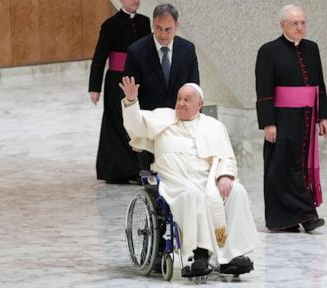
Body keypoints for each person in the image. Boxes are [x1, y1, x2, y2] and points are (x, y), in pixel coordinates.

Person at [120, 76, 259, 277]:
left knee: (236, 191)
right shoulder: (163, 118)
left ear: (200, 104)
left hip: (208, 180)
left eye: (187, 100)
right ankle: (199, 254)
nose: (181, 104)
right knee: (193, 195)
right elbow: (135, 125)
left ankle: (231, 255)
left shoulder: (214, 126)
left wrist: (225, 177)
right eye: (179, 99)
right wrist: (132, 101)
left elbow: (226, 157)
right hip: (175, 182)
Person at [255, 4, 326, 232]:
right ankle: (292, 218)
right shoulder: (269, 50)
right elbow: (263, 88)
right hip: (282, 119)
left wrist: (323, 116)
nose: (300, 27)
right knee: (280, 167)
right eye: (295, 23)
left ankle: (300, 216)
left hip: (306, 118)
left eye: (303, 22)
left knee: (301, 166)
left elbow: (319, 86)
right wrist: (268, 123)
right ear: (282, 25)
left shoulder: (312, 48)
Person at [124, 3, 199, 170]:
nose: (163, 34)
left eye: (168, 29)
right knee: (152, 181)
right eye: (158, 28)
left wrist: (196, 126)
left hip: (180, 127)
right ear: (152, 24)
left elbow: (195, 90)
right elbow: (129, 97)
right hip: (149, 129)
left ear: (177, 26)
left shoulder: (188, 49)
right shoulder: (136, 52)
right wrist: (136, 133)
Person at [88, 0, 151, 184]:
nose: (135, 1)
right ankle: (122, 170)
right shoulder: (110, 25)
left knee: (139, 121)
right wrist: (94, 87)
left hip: (140, 80)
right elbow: (99, 57)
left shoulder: (145, 22)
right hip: (117, 81)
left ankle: (142, 168)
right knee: (120, 123)